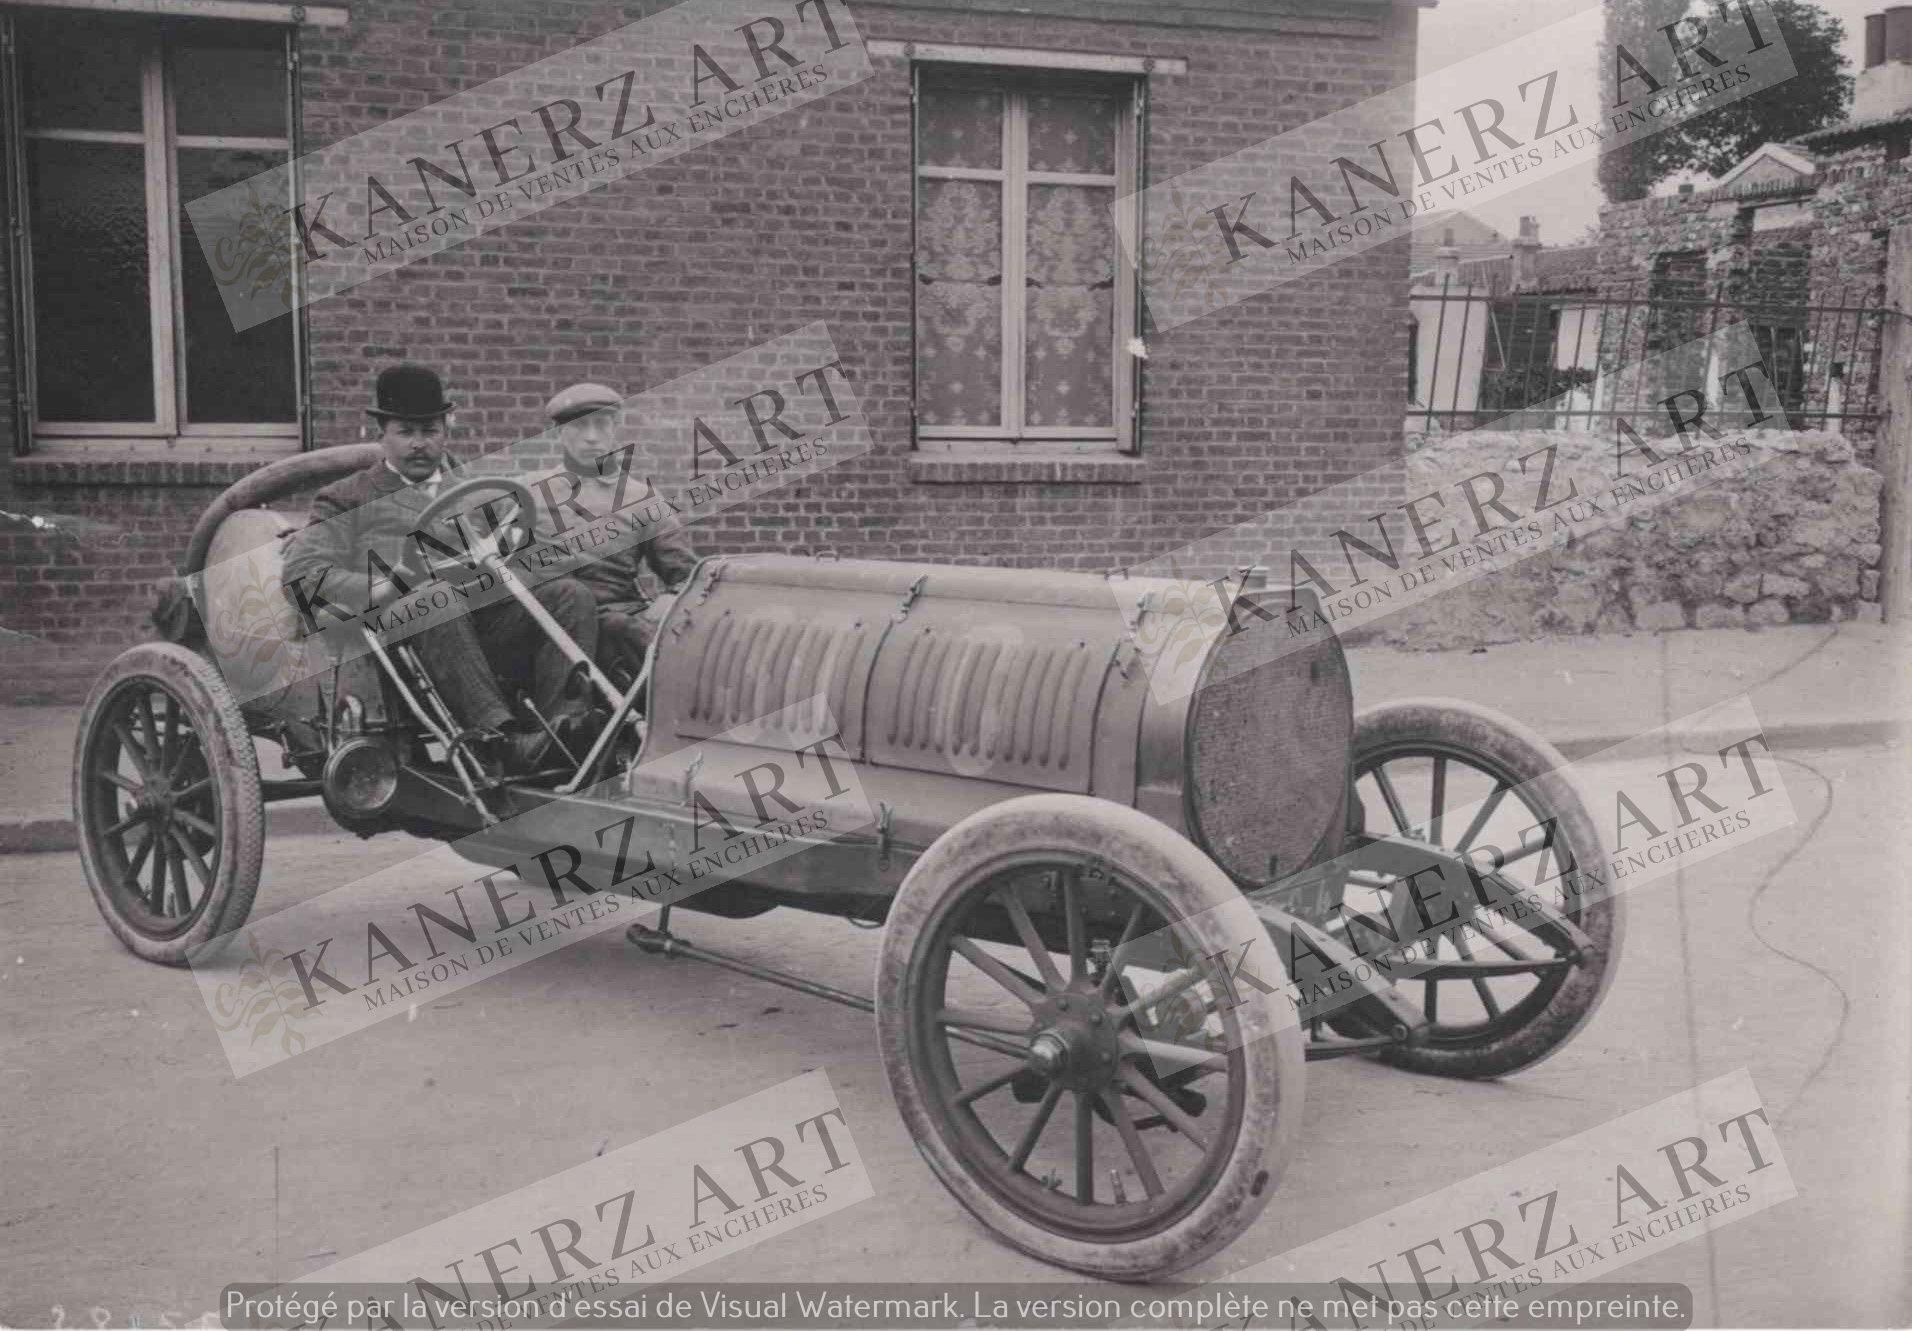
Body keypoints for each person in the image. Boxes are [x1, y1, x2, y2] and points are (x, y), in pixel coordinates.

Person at [280, 364, 600, 771]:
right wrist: (387, 583)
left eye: (429, 431)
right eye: (406, 432)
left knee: (568, 595)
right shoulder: (348, 497)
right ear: (382, 434)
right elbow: (302, 574)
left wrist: (518, 551)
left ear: (446, 431)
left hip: (479, 622)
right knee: (434, 598)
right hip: (395, 631)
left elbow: (546, 552)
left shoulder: (476, 492)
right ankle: (495, 742)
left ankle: (562, 731)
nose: (418, 444)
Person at [525, 382, 698, 684]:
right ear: (560, 433)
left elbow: (685, 573)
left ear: (615, 428)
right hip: (549, 617)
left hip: (618, 612)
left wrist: (669, 599)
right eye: (579, 426)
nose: (592, 436)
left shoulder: (640, 497)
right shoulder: (530, 491)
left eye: (601, 425)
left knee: (648, 639)